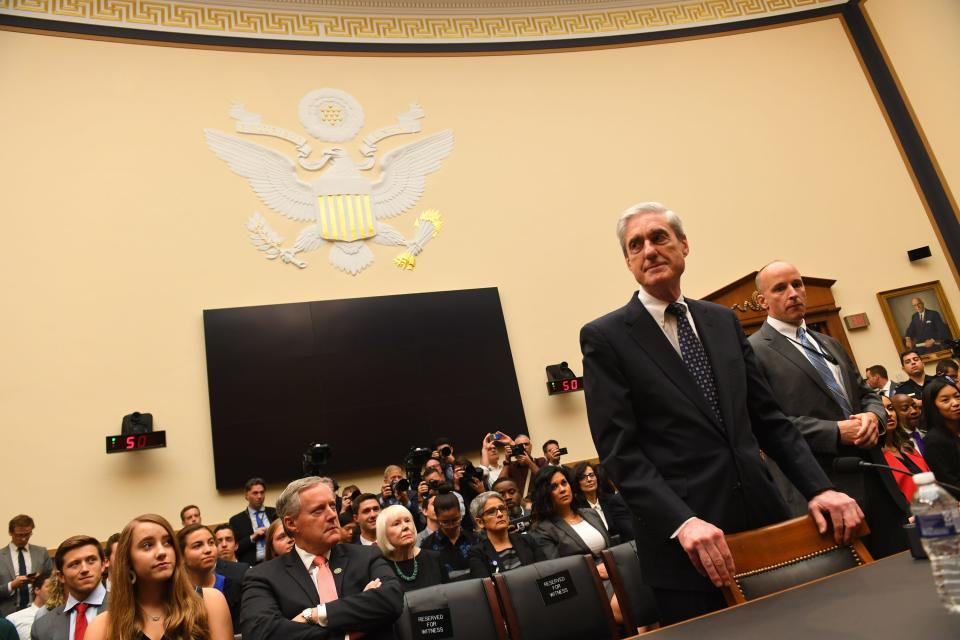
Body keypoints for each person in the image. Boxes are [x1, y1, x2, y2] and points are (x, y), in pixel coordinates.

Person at [580, 202, 862, 624]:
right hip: (686, 546)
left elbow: (769, 421)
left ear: (684, 245)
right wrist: (683, 522)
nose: (649, 250)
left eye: (659, 237)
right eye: (635, 245)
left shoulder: (722, 321)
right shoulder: (606, 337)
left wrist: (819, 488)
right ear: (627, 261)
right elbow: (621, 453)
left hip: (765, 525)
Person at [749, 260, 908, 558]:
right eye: (780, 288)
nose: (793, 292)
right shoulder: (754, 351)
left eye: (797, 284)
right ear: (762, 301)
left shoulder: (829, 343)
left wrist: (874, 415)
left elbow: (865, 392)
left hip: (876, 478)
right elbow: (764, 423)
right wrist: (834, 432)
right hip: (824, 487)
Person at [239, 476, 402, 640]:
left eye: (332, 506)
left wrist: (314, 614)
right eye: (318, 510)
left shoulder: (367, 556)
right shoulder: (263, 577)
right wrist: (348, 631)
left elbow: (391, 600)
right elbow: (261, 634)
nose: (332, 515)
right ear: (291, 523)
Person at [84, 514, 232, 640]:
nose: (162, 552)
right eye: (147, 545)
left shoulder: (210, 603)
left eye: (168, 542)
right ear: (128, 561)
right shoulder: (103, 627)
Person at [31, 535, 108, 640]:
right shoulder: (42, 627)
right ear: (61, 576)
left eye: (91, 560)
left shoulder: (129, 607)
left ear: (103, 565)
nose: (85, 569)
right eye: (75, 564)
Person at [176, 524, 242, 630]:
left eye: (211, 543)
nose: (208, 550)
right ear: (181, 556)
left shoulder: (235, 588)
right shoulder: (176, 593)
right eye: (197, 545)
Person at [467, 492, 544, 579]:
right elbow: (487, 589)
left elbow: (545, 573)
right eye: (491, 512)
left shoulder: (527, 540)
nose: (500, 514)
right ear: (480, 522)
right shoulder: (478, 554)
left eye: (502, 508)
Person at [375, 506, 445, 593]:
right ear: (383, 533)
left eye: (408, 521)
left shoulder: (434, 558)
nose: (405, 526)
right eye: (396, 524)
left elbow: (449, 597)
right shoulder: (379, 567)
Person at [881, 395, 930, 502]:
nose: (889, 414)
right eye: (880, 410)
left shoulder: (907, 446)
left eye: (890, 408)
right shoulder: (875, 458)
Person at [571, 462, 636, 543]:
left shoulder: (612, 500)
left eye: (591, 475)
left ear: (597, 478)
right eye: (583, 477)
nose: (589, 479)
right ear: (577, 483)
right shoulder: (576, 508)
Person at [1, 515, 53, 617]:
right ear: (11, 533)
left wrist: (40, 579)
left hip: (39, 612)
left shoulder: (41, 553)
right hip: (6, 614)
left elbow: (52, 581)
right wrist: (11, 586)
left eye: (27, 534)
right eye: (19, 535)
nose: (24, 538)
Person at [420, 492, 476, 582]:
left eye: (455, 520)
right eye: (445, 522)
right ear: (437, 518)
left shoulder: (474, 539)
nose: (451, 526)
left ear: (460, 514)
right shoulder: (427, 546)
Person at [921, 377, 960, 500]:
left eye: (957, 396)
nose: (955, 403)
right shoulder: (933, 440)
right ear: (933, 406)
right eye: (945, 400)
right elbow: (949, 484)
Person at [228, 477, 277, 565]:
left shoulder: (274, 513)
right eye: (255, 493)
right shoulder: (236, 520)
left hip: (276, 560)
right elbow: (236, 548)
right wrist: (253, 537)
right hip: (253, 565)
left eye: (262, 492)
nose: (259, 496)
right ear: (246, 496)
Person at [5, 572, 48, 640]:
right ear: (37, 590)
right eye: (51, 586)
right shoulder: (13, 619)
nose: (55, 591)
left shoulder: (65, 617)